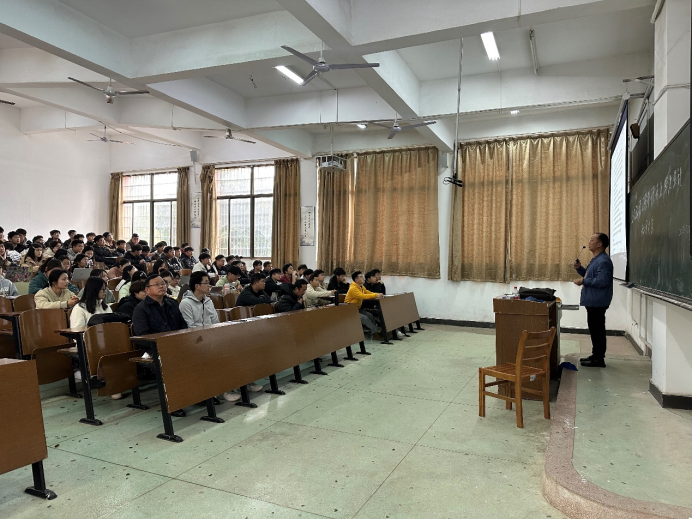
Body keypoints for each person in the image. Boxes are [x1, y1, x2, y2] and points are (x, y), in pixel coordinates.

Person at [573, 232, 614, 368]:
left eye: (592, 240)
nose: (589, 242)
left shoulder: (603, 261)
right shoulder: (596, 259)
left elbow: (602, 281)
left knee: (597, 330)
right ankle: (596, 355)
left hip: (598, 301)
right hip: (593, 300)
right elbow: (589, 275)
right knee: (595, 329)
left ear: (599, 244)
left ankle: (598, 359)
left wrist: (583, 281)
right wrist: (580, 269)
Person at [344, 271, 388, 338]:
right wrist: (376, 295)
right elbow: (362, 296)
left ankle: (374, 332)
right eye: (361, 277)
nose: (363, 278)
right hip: (350, 309)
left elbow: (367, 292)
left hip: (357, 309)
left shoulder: (361, 286)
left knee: (370, 315)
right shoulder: (353, 288)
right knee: (364, 318)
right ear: (356, 280)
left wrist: (377, 294)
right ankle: (377, 331)